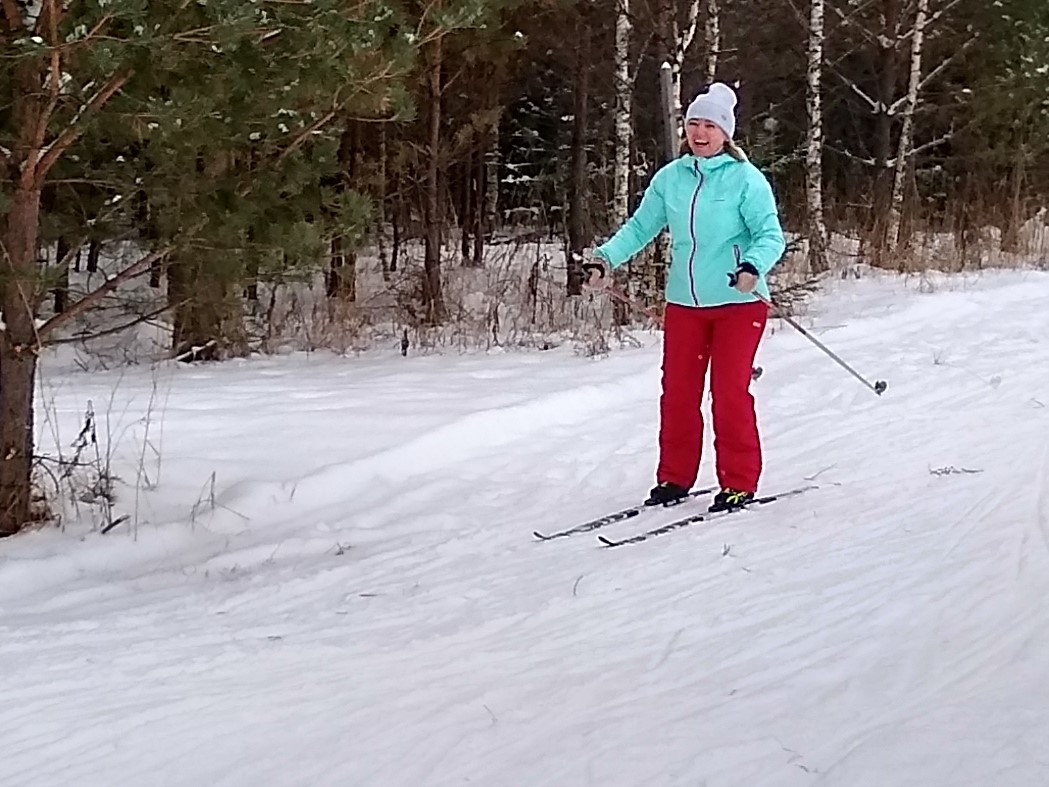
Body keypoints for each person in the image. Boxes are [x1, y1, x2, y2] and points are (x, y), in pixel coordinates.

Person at [585, 82, 786, 513]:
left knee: (729, 394)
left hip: (739, 303)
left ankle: (739, 481)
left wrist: (752, 267)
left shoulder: (746, 180)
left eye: (710, 125)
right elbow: (640, 228)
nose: (700, 132)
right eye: (694, 123)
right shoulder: (671, 179)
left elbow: (770, 235)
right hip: (685, 305)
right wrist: (605, 259)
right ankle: (674, 478)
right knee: (677, 394)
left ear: (726, 132)